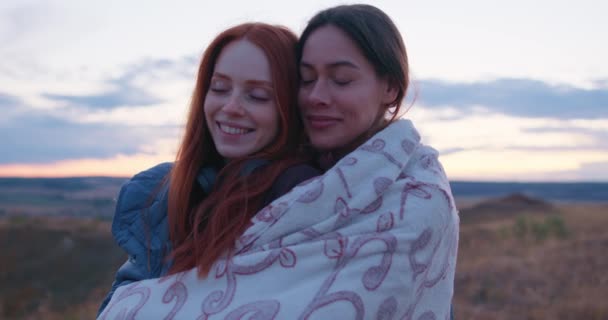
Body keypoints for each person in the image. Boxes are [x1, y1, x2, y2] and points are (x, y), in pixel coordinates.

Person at [99, 5, 458, 319]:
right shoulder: (170, 192)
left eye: (342, 79)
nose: (317, 96)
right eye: (306, 79)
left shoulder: (404, 198)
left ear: (391, 89)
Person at [97, 22, 320, 316]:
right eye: (220, 88)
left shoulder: (302, 200)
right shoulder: (166, 194)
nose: (230, 106)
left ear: (289, 107)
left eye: (257, 96)